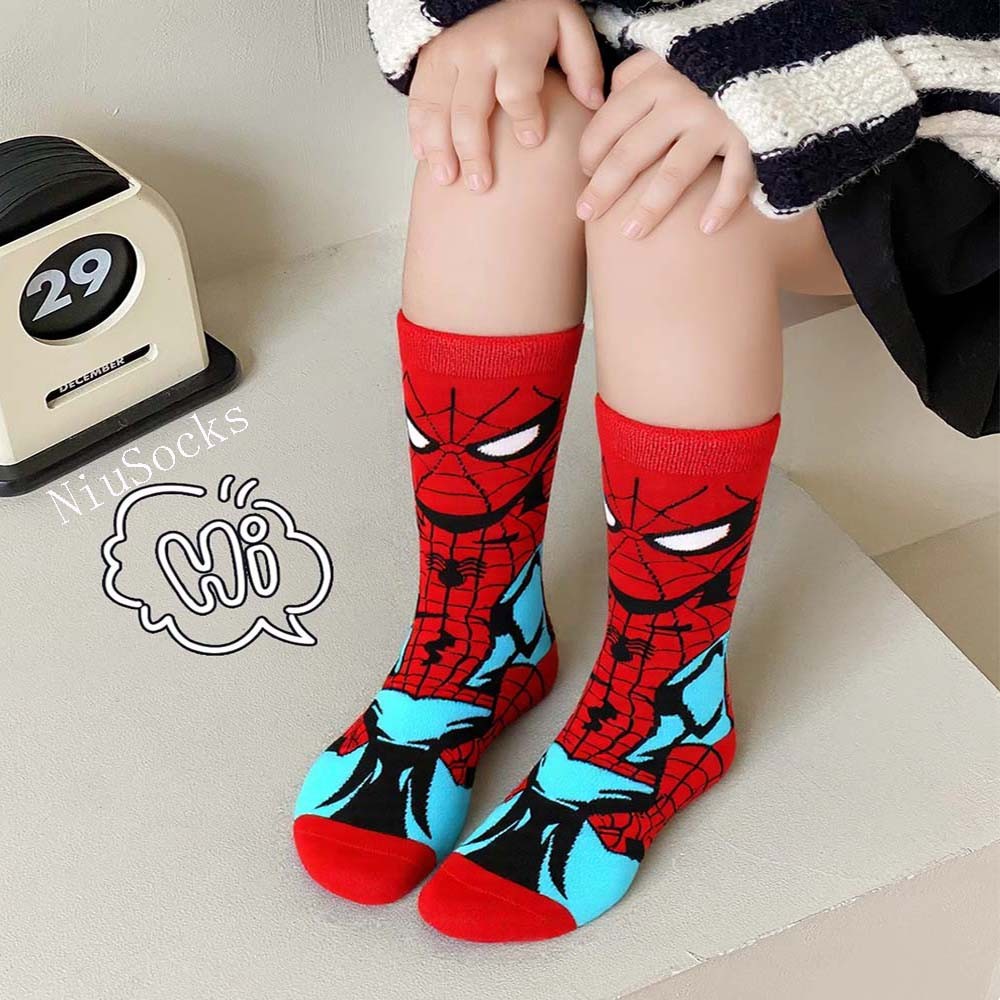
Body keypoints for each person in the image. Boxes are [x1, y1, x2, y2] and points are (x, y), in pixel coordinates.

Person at [292, 0, 1000, 941]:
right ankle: (475, 633)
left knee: (673, 208)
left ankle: (662, 706)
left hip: (902, 86)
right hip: (636, 60)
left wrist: (765, 68)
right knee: (499, 135)